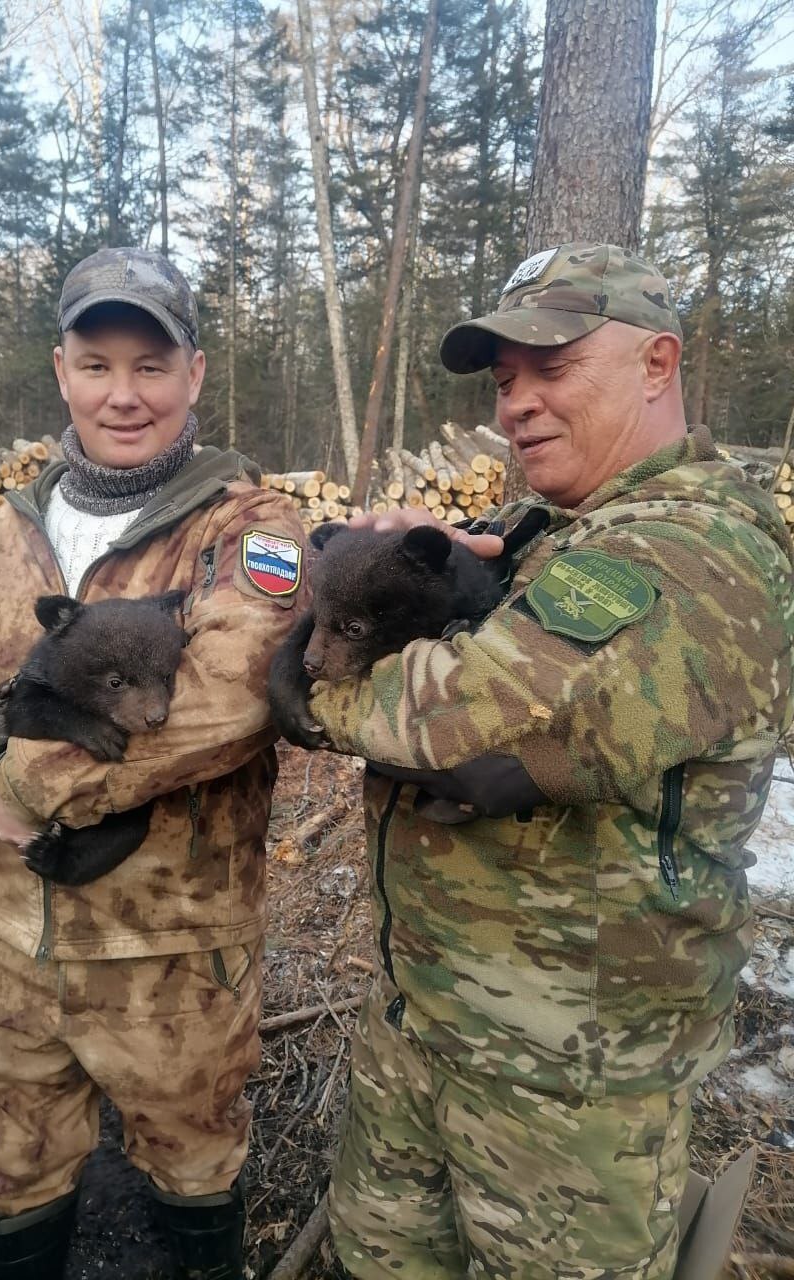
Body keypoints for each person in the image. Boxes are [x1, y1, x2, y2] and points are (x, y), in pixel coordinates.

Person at [303, 243, 794, 1279]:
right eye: (504, 380)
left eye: (552, 368)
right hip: (423, 1024)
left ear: (657, 364)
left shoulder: (701, 549)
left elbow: (470, 719)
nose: (517, 403)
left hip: (571, 1088)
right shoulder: (547, 533)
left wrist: (319, 666)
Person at [0, 247, 308, 1279]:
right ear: (61, 370)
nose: (123, 394)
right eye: (98, 364)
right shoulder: (5, 533)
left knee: (195, 1176)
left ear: (197, 374)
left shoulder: (250, 528)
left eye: (151, 364)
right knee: (14, 1179)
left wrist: (32, 784)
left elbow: (229, 700)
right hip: (2, 947)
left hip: (169, 961)